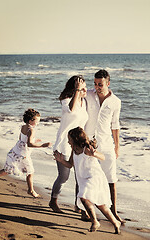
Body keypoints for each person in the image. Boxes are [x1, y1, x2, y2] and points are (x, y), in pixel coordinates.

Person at [54, 127, 121, 234]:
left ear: (76, 139)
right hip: (84, 179)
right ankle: (115, 223)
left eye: (69, 139)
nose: (68, 141)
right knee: (101, 205)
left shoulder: (86, 148)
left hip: (94, 177)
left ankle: (94, 221)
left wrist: (94, 154)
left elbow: (103, 157)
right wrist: (61, 160)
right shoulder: (74, 150)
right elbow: (70, 165)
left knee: (83, 196)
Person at [84, 69, 125, 224]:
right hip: (88, 143)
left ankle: (113, 210)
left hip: (106, 144)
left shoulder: (116, 102)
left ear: (108, 83)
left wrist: (117, 147)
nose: (97, 87)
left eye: (100, 84)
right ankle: (83, 210)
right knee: (85, 175)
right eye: (95, 83)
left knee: (111, 178)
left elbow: (115, 125)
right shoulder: (88, 94)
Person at [0, 108, 51, 198]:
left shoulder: (24, 127)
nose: (38, 123)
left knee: (10, 169)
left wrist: (35, 140)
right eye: (37, 121)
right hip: (24, 154)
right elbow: (29, 144)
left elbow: (22, 139)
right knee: (30, 172)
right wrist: (42, 145)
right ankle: (31, 190)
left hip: (17, 150)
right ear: (31, 120)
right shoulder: (31, 130)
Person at [49, 75, 88, 213]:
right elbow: (71, 109)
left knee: (80, 177)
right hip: (64, 144)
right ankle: (53, 201)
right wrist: (77, 91)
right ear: (75, 88)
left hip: (78, 145)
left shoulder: (84, 102)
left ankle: (78, 205)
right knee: (64, 177)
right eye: (82, 87)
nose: (85, 90)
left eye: (84, 87)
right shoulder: (66, 100)